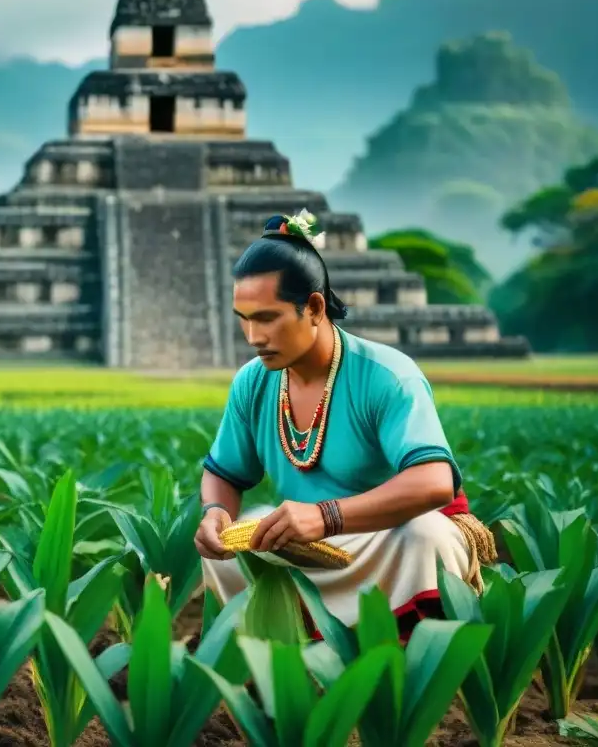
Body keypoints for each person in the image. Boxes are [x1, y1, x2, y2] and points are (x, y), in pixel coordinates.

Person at [194, 210, 496, 642]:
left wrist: (326, 516)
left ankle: (411, 668)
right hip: (305, 546)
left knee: (425, 535)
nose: (252, 336)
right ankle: (275, 671)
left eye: (267, 318)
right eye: (243, 318)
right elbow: (224, 473)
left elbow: (434, 482)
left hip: (385, 539)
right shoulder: (253, 381)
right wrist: (216, 512)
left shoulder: (388, 375)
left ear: (314, 307)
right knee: (234, 543)